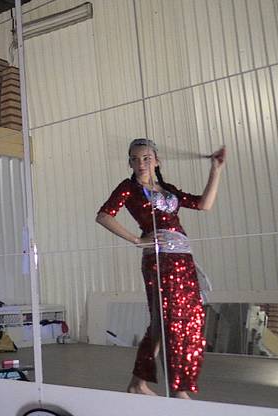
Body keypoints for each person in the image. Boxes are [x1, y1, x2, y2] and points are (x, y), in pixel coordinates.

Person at [96, 138, 226, 398]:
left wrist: (216, 170)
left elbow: (203, 204)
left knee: (176, 320)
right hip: (159, 260)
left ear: (157, 161)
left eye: (145, 158)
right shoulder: (128, 188)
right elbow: (104, 215)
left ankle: (138, 382)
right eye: (134, 159)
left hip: (183, 259)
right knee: (171, 320)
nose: (140, 163)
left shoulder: (168, 189)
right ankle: (178, 389)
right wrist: (136, 239)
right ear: (129, 163)